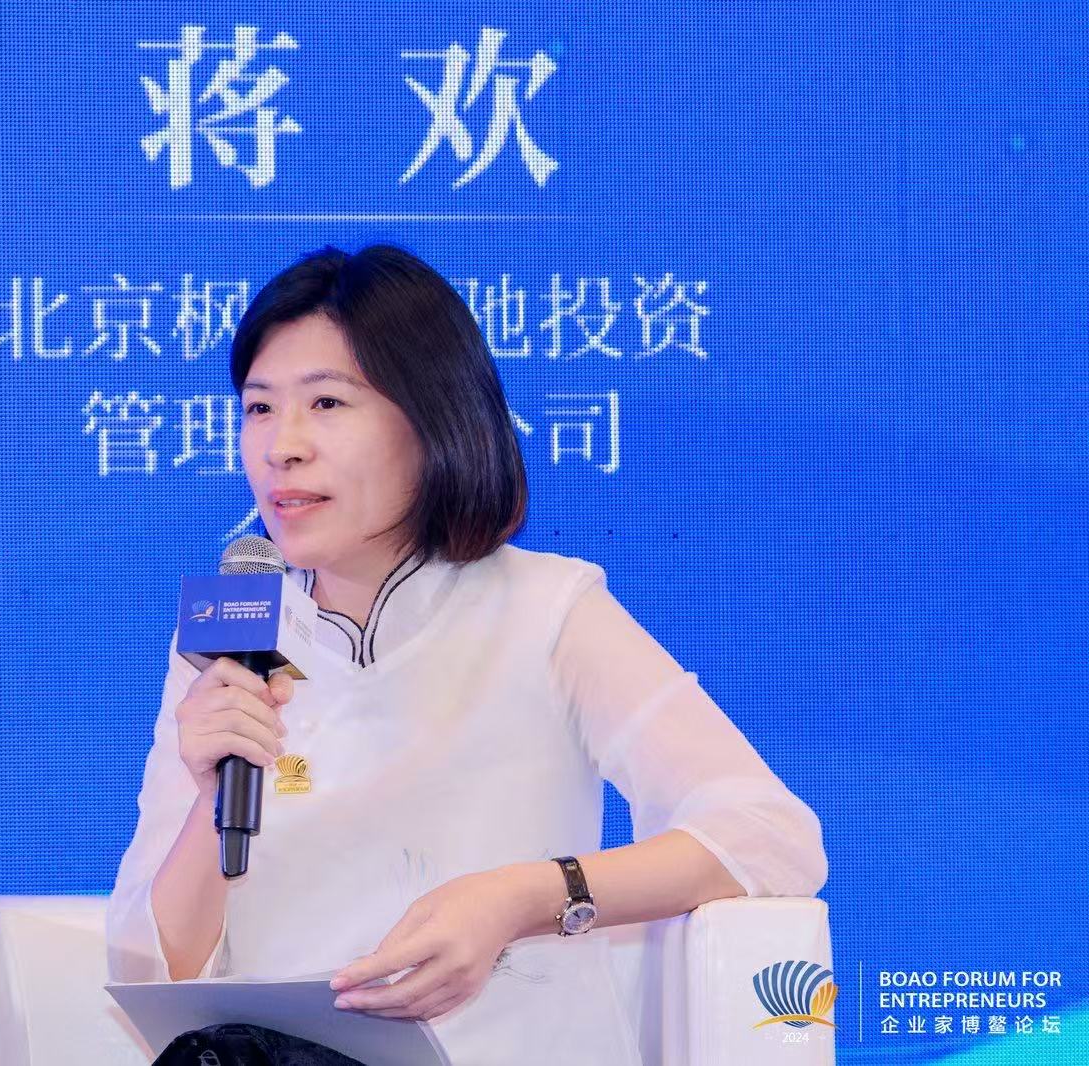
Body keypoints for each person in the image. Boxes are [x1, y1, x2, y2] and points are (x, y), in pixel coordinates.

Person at [106, 243, 828, 1065]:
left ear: (432, 420)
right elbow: (148, 972)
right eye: (260, 408)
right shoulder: (230, 637)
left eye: (328, 403)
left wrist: (526, 896)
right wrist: (210, 802)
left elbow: (770, 835)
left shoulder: (547, 610)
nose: (282, 446)